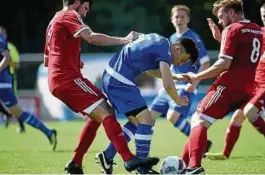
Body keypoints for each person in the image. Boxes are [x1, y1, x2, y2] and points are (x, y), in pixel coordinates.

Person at [44, 0, 160, 174]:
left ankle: (76, 163)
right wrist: (124, 40)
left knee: (97, 115)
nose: (84, 13)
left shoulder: (53, 21)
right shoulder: (70, 14)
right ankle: (128, 159)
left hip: (58, 79)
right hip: (67, 79)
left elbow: (48, 59)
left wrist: (73, 60)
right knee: (107, 111)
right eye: (85, 8)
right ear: (76, 2)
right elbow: (91, 37)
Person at [179, 0, 263, 173]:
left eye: (222, 16)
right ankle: (182, 165)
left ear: (232, 13)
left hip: (229, 85)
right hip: (247, 88)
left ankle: (193, 167)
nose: (220, 21)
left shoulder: (232, 29)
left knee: (198, 120)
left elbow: (224, 63)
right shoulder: (256, 29)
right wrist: (220, 38)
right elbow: (245, 55)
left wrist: (197, 77)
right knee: (202, 123)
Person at [95, 33, 199, 174]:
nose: (180, 64)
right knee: (148, 120)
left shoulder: (158, 40)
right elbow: (168, 86)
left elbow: (151, 71)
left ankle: (107, 155)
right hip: (120, 80)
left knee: (137, 123)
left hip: (111, 76)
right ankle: (142, 169)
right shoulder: (166, 51)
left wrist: (175, 76)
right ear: (177, 48)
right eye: (183, 60)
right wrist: (178, 100)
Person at [204, 2, 265, 160]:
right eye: (263, 14)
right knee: (238, 117)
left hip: (261, 85)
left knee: (249, 111)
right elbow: (242, 53)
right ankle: (225, 154)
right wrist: (220, 38)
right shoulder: (258, 31)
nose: (264, 17)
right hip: (253, 84)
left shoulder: (252, 30)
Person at [149, 4, 212, 151]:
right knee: (149, 117)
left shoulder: (194, 38)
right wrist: (164, 83)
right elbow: (169, 65)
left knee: (173, 116)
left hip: (185, 85)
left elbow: (206, 63)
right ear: (172, 19)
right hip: (171, 86)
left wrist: (194, 83)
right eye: (176, 16)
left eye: (182, 16)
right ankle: (143, 151)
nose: (179, 19)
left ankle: (201, 143)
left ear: (188, 19)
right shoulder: (171, 38)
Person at [0, 27, 58, 151]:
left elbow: (9, 59)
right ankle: (48, 132)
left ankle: (48, 132)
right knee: (16, 112)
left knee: (18, 112)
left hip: (3, 83)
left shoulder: (2, 41)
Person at [0, 26, 25, 132]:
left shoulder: (10, 47)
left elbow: (16, 65)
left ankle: (21, 124)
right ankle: (7, 116)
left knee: (13, 103)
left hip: (8, 78)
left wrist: (7, 62)